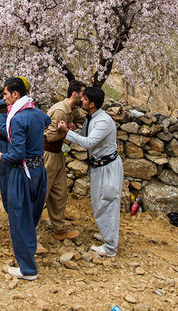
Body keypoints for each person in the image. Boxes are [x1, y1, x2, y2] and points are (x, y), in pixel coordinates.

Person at [0, 77, 51, 280]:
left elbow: (18, 153)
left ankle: (27, 269)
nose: (4, 99)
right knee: (31, 215)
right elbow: (48, 121)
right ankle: (29, 254)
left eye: (6, 94)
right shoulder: (36, 113)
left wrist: (2, 157)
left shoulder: (17, 119)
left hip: (22, 171)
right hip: (39, 171)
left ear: (15, 95)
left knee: (19, 218)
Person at [57, 87, 123, 257]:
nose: (81, 101)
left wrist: (67, 132)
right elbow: (83, 135)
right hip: (98, 166)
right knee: (99, 202)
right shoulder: (92, 117)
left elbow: (89, 142)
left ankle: (110, 247)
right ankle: (108, 235)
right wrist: (72, 130)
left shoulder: (103, 121)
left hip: (107, 168)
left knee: (107, 203)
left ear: (92, 103)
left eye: (84, 99)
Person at [43, 80, 86, 241]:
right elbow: (51, 136)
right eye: (83, 95)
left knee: (60, 193)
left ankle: (59, 229)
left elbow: (84, 117)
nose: (83, 99)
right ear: (74, 94)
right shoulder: (60, 110)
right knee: (41, 193)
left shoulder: (72, 109)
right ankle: (28, 233)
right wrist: (67, 132)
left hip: (57, 155)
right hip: (47, 154)